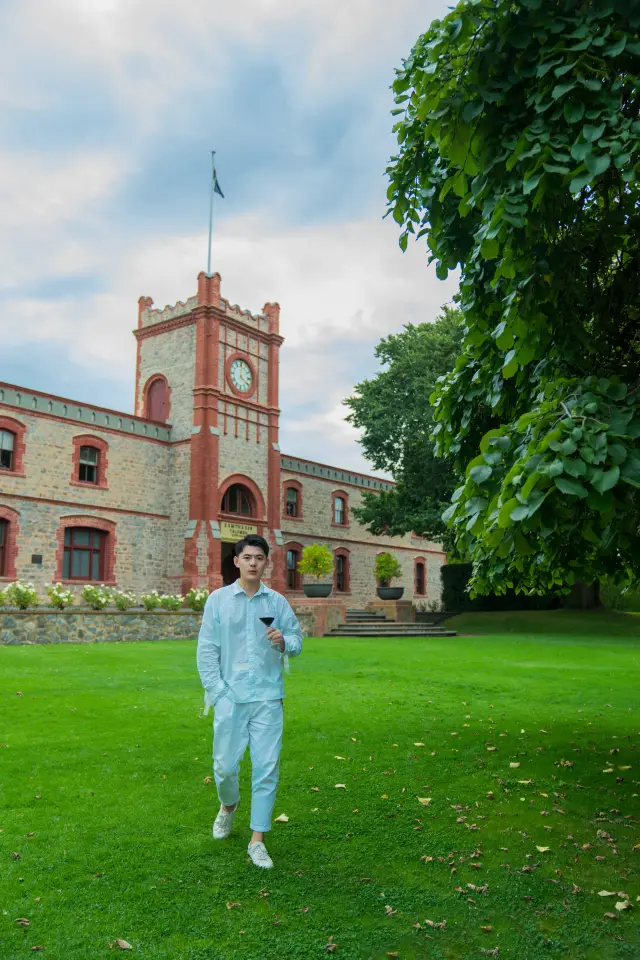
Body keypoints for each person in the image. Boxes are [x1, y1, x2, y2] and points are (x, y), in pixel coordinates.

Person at [196, 534, 303, 869]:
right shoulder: (217, 601)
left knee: (266, 767)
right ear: (236, 561)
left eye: (260, 557)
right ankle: (228, 807)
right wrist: (219, 691)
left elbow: (298, 640)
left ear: (266, 563)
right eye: (248, 557)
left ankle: (257, 839)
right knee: (224, 767)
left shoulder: (277, 603)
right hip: (230, 697)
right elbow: (207, 650)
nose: (254, 563)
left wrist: (284, 640)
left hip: (269, 698)